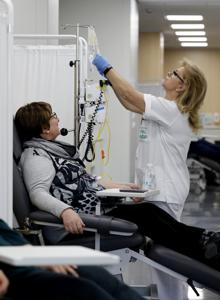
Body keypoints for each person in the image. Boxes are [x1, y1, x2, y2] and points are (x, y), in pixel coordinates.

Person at [15, 102, 220, 272]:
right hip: (79, 223)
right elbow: (37, 193)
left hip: (96, 211)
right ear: (44, 128)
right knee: (147, 216)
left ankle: (205, 242)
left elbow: (89, 179)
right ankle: (204, 248)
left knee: (149, 211)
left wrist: (127, 188)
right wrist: (65, 212)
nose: (57, 118)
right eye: (53, 116)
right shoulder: (36, 156)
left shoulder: (54, 150)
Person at [92, 54, 207, 299]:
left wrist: (107, 68)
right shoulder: (164, 109)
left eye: (175, 73)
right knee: (163, 261)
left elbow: (132, 96)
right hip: (158, 191)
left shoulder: (172, 111)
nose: (169, 74)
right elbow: (130, 103)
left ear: (182, 86)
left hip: (166, 192)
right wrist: (113, 84)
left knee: (167, 262)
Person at [0, 219, 144, 300]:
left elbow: (8, 235)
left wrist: (37, 256)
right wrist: (65, 210)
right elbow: (38, 193)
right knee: (81, 289)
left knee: (95, 274)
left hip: (18, 258)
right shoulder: (38, 164)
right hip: (9, 271)